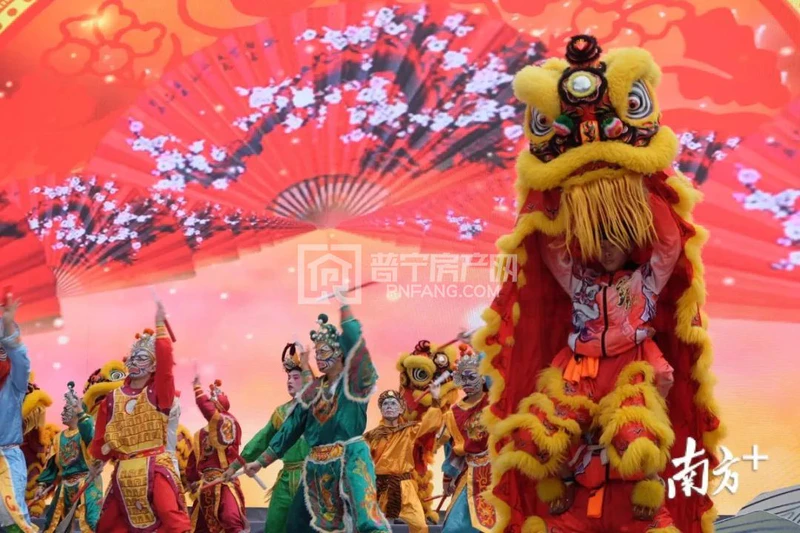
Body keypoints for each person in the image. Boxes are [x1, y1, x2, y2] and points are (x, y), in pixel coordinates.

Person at [473, 34, 723, 533]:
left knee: (634, 436)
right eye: (599, 241)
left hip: (632, 363)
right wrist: (554, 206)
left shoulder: (644, 282)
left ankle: (646, 493)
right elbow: (554, 252)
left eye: (616, 241)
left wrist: (641, 187)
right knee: (537, 437)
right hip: (579, 365)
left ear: (629, 246)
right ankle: (562, 487)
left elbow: (668, 245)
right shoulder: (581, 284)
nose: (607, 248)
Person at [226, 290, 391, 533]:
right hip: (316, 466)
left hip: (350, 459)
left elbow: (356, 344)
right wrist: (260, 462)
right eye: (317, 352)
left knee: (366, 521)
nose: (319, 358)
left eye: (324, 352)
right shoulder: (314, 390)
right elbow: (291, 427)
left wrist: (344, 306)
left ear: (340, 353)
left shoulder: (354, 383)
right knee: (297, 525)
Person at [89, 301, 191, 533]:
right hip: (124, 470)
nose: (134, 362)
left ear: (154, 366)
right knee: (107, 525)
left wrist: (160, 326)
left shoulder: (159, 393)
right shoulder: (112, 398)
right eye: (132, 358)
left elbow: (166, 368)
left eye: (141, 358)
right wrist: (98, 463)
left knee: (170, 516)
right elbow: (102, 438)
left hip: (155, 466)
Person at [232, 343, 311, 533]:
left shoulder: (319, 409)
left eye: (295, 377)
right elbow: (262, 440)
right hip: (286, 478)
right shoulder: (281, 412)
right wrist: (234, 466)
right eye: (288, 377)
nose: (290, 381)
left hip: (312, 478)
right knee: (275, 523)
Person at [395, 340, 458, 523]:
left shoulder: (442, 402)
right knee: (407, 472)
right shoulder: (406, 394)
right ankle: (407, 509)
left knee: (421, 469)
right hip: (406, 438)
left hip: (424, 438)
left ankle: (421, 509)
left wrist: (437, 399)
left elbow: (435, 422)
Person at [364, 387, 442, 533]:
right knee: (377, 528)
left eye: (393, 403)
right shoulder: (371, 436)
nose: (389, 406)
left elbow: (430, 425)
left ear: (401, 409)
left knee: (420, 525)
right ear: (381, 409)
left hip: (404, 486)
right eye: (385, 404)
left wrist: (435, 400)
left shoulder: (409, 430)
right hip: (378, 487)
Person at [439, 346, 495, 533]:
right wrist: (448, 478)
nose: (467, 383)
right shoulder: (453, 413)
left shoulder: (493, 402)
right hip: (470, 473)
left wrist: (480, 347)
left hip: (497, 471)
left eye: (472, 377)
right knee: (454, 527)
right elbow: (453, 450)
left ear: (483, 377)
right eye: (463, 378)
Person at [36, 382, 102, 532]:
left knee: (92, 520)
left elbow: (89, 433)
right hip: (65, 483)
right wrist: (42, 485)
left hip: (88, 480)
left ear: (77, 411)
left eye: (66, 409)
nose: (62, 413)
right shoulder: (58, 438)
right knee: (53, 522)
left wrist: (80, 410)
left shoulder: (87, 429)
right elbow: (52, 466)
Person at [186, 377, 248, 533]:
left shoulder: (228, 424)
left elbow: (208, 411)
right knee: (198, 527)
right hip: (205, 485)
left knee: (230, 519)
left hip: (225, 481)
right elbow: (193, 461)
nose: (210, 409)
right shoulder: (199, 435)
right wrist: (191, 481)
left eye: (212, 405)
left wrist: (198, 389)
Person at [0, 297, 38, 533]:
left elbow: (21, 360)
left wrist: (8, 325)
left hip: (6, 457)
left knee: (11, 514)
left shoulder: (13, 384)